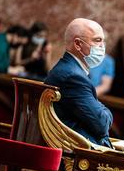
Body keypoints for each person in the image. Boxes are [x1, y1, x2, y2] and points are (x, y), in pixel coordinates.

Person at [44, 18, 113, 147]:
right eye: (97, 40)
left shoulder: (71, 69)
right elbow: (102, 124)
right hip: (76, 153)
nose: (102, 47)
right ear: (78, 44)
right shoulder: (74, 76)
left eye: (103, 41)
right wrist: (105, 111)